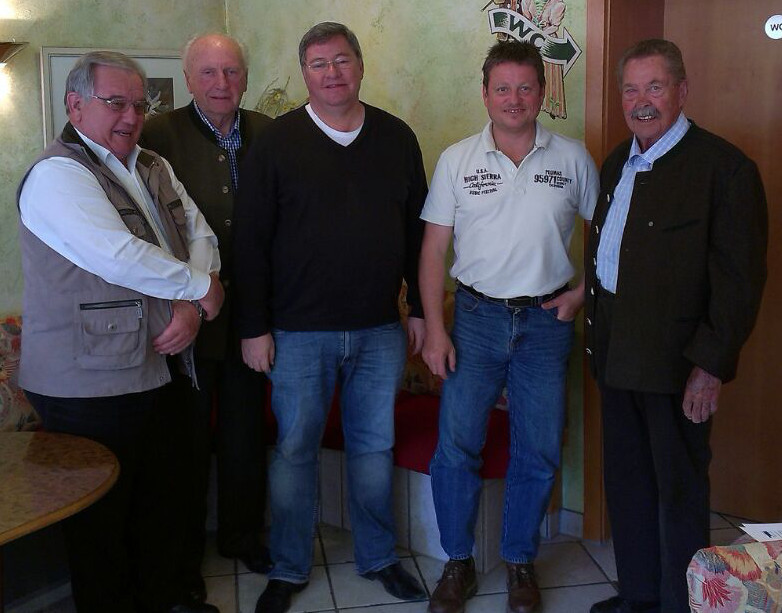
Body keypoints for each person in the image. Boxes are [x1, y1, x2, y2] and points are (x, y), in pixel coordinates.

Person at [17, 51, 225, 613]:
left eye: (139, 104)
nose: (132, 116)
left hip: (153, 367)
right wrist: (200, 289)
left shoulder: (153, 165)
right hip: (86, 383)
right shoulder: (57, 174)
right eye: (116, 103)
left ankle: (163, 599)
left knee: (159, 501)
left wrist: (192, 305)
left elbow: (200, 234)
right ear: (75, 105)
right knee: (102, 522)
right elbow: (117, 255)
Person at [233, 21, 428, 613]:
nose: (332, 73)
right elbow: (250, 243)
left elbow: (418, 233)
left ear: (360, 66)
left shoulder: (396, 138)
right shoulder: (275, 144)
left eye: (342, 60)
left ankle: (378, 557)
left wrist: (421, 309)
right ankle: (289, 567)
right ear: (305, 74)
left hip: (378, 329)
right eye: (318, 64)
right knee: (295, 451)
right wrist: (253, 327)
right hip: (296, 333)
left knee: (374, 448)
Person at [585, 39, 767, 613]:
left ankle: (679, 605)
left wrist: (709, 367)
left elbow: (739, 282)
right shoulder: (617, 160)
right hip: (616, 357)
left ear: (682, 91)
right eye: (630, 89)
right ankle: (639, 597)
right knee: (629, 487)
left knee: (678, 493)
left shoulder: (725, 170)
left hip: (677, 367)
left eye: (655, 87)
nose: (641, 101)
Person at [419, 41, 598, 613]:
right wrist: (435, 328)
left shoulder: (573, 158)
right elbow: (433, 250)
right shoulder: (457, 160)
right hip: (474, 321)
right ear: (485, 94)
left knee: (538, 449)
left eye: (525, 87)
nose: (514, 99)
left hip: (546, 323)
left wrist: (582, 295)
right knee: (456, 446)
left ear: (542, 93)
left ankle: (520, 560)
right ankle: (458, 561)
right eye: (503, 88)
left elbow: (608, 234)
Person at [141, 33, 273, 596]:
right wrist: (184, 298)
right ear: (188, 78)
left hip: (253, 317)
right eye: (210, 73)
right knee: (185, 444)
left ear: (245, 76)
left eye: (232, 72)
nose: (222, 84)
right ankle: (183, 560)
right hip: (185, 315)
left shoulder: (268, 132)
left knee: (246, 433)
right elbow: (143, 224)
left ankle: (242, 536)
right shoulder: (156, 135)